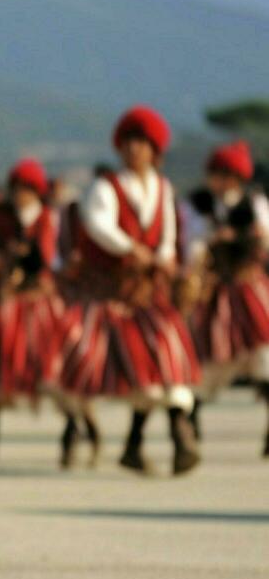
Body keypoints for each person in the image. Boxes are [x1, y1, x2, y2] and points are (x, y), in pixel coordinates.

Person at [55, 107, 201, 475]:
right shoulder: (105, 187)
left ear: (154, 150)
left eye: (142, 143)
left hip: (149, 293)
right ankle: (126, 439)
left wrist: (164, 257)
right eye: (129, 143)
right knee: (103, 367)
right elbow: (97, 225)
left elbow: (168, 232)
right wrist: (131, 249)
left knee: (168, 355)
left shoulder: (163, 188)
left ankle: (175, 432)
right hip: (110, 295)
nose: (135, 150)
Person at [0, 159, 70, 462]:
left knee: (51, 366)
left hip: (41, 303)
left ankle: (72, 426)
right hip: (4, 302)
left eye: (27, 189)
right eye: (17, 188)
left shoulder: (52, 219)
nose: (21, 194)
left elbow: (59, 260)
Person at [185, 140, 269, 455]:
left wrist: (242, 237)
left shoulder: (255, 205)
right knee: (213, 359)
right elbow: (192, 244)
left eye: (222, 174)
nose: (215, 180)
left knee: (263, 354)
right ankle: (190, 418)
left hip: (250, 289)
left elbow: (265, 241)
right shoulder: (200, 206)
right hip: (217, 291)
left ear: (235, 177)